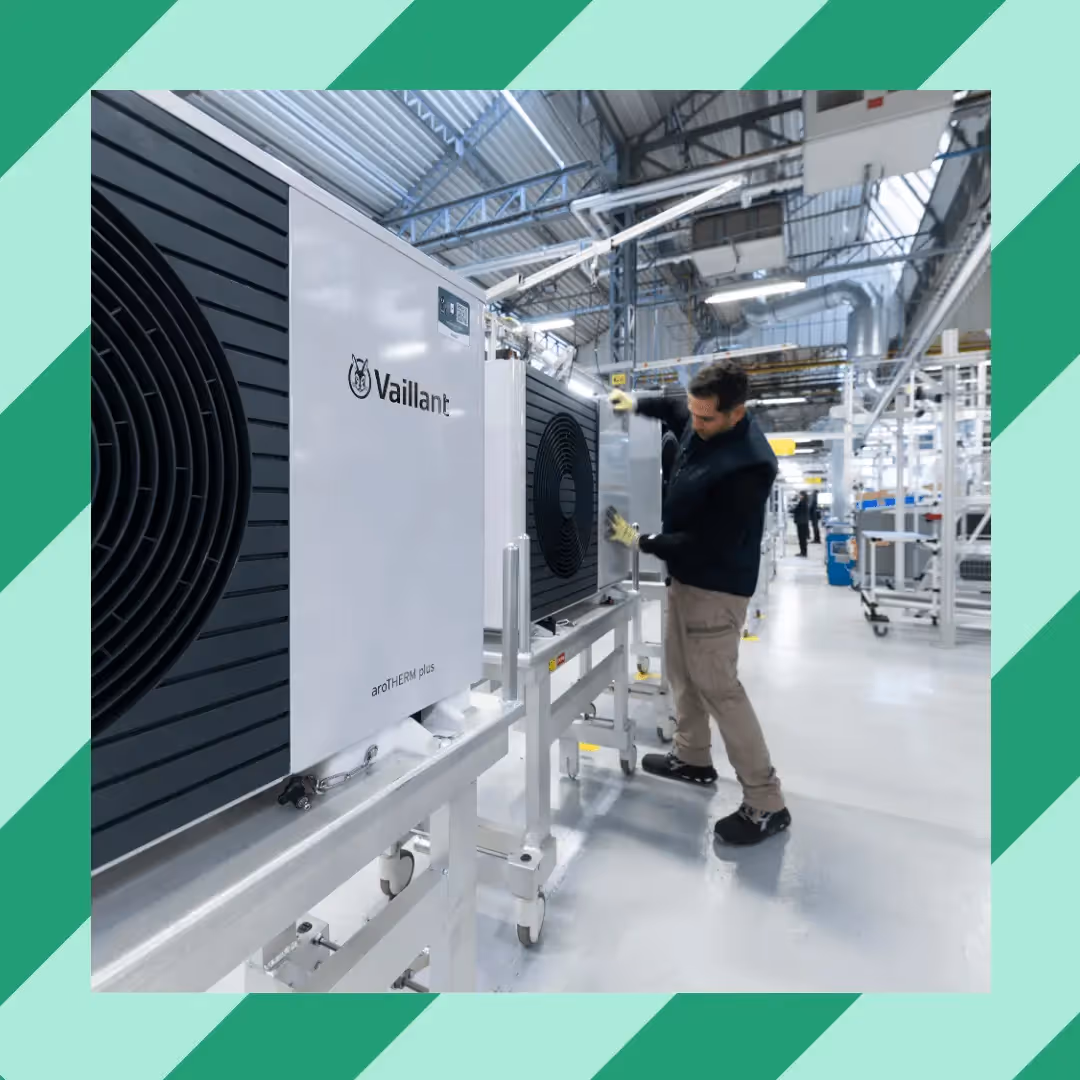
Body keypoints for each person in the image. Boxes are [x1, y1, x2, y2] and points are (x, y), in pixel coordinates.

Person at [604, 361, 790, 845]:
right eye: (695, 413)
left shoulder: (751, 465)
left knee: (718, 688)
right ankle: (692, 758)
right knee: (681, 672)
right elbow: (673, 410)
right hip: (685, 579)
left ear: (735, 413)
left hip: (717, 586)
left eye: (707, 419)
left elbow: (708, 543)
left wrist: (641, 541)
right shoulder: (698, 414)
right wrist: (635, 403)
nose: (696, 424)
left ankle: (766, 801)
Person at [792, 491, 811, 557]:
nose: (799, 496)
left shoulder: (803, 503)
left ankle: (803, 552)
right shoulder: (804, 502)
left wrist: (793, 510)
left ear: (803, 495)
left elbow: (797, 510)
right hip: (803, 522)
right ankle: (803, 552)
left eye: (800, 495)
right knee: (802, 538)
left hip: (801, 523)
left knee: (802, 538)